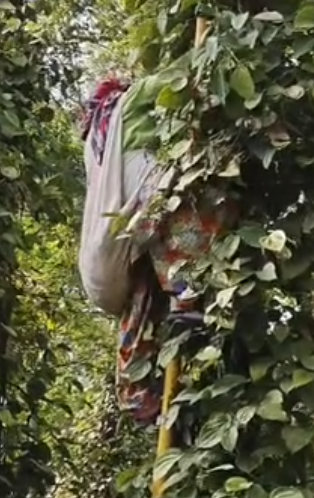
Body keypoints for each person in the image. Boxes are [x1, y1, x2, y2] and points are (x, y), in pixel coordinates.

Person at [78, 76, 220, 425]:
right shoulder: (129, 107)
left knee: (143, 303)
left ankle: (147, 400)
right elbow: (184, 79)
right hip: (123, 236)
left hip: (108, 262)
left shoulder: (99, 140)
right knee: (182, 217)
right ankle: (185, 300)